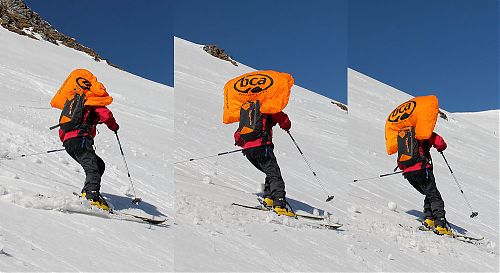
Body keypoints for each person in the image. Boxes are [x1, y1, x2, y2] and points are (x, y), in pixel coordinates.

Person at [234, 111, 294, 217]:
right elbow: (283, 119)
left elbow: (237, 136)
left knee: (270, 172)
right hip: (262, 147)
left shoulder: (249, 112)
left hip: (248, 151)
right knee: (274, 174)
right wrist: (286, 126)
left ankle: (269, 198)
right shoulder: (268, 107)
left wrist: (249, 144)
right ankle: (279, 204)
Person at [60, 106, 119, 210]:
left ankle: (87, 192)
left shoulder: (73, 107)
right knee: (93, 168)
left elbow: (63, 128)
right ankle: (91, 197)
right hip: (81, 138)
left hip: (68, 141)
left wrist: (70, 140)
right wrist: (114, 126)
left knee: (99, 164)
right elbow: (106, 115)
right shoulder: (93, 102)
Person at [398, 132, 451, 235]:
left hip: (408, 172)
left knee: (429, 193)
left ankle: (429, 219)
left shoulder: (404, 135)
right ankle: (440, 225)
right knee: (434, 196)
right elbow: (440, 143)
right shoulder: (422, 130)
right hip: (422, 169)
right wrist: (440, 147)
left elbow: (400, 161)